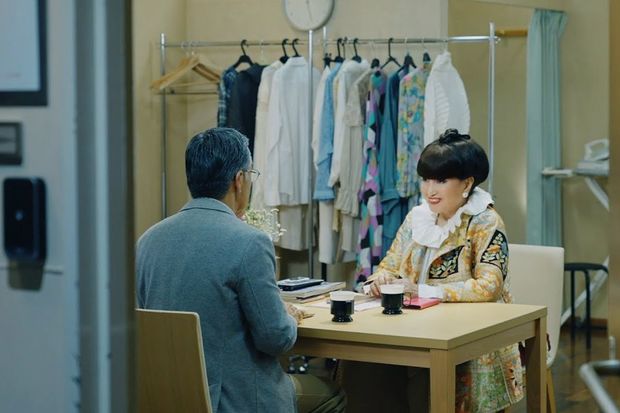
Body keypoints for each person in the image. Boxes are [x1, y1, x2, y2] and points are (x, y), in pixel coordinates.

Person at [136, 127, 345, 413]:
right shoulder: (249, 241)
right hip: (236, 401)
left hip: (168, 398)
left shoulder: (148, 241)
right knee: (331, 394)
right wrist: (288, 315)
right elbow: (276, 339)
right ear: (239, 180)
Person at [365, 129, 524, 412]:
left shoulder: (485, 221)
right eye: (426, 179)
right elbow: (389, 264)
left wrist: (423, 291)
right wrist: (382, 279)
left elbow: (489, 286)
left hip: (472, 332)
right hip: (414, 326)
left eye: (441, 180)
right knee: (365, 367)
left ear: (467, 183)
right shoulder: (417, 218)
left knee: (422, 382)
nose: (430, 190)